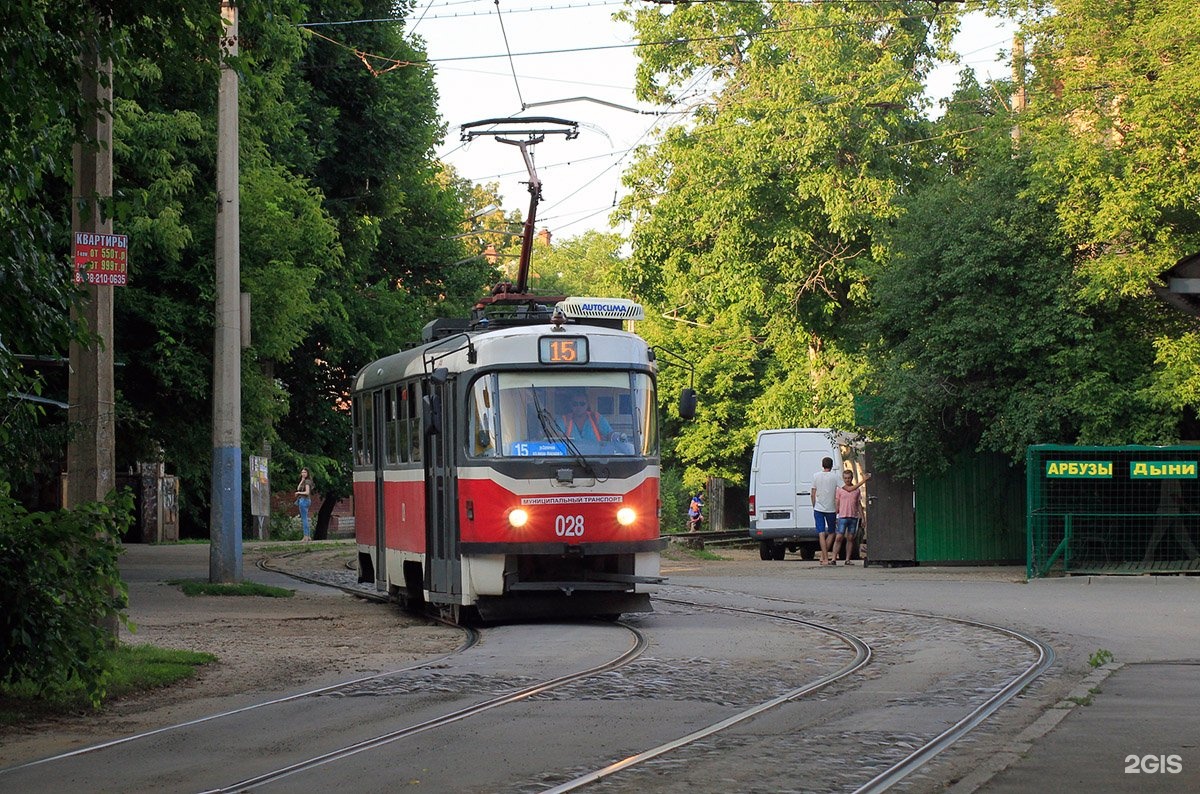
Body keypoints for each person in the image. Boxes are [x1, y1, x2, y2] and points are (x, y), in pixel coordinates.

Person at [833, 470, 871, 565]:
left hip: (853, 517)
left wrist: (863, 517)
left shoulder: (856, 490)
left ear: (852, 478)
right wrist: (835, 514)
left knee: (850, 538)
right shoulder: (840, 489)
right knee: (839, 537)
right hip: (842, 516)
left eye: (849, 478)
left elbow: (858, 504)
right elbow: (837, 503)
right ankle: (833, 558)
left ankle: (847, 559)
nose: (847, 480)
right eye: (845, 478)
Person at [811, 457, 841, 566]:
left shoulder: (816, 476)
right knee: (832, 532)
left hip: (818, 508)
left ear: (822, 465)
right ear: (832, 465)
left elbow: (813, 493)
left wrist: (814, 505)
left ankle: (824, 558)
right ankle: (824, 556)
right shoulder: (835, 477)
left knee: (821, 533)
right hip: (831, 508)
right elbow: (845, 488)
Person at [295, 467, 313, 542]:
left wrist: (299, 493)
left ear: (308, 473)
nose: (303, 474)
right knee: (305, 518)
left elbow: (307, 492)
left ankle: (306, 536)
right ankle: (308, 536)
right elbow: (298, 488)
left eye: (305, 472)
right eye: (302, 472)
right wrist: (302, 480)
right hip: (303, 500)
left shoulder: (307, 482)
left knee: (304, 519)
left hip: (304, 500)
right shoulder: (304, 481)